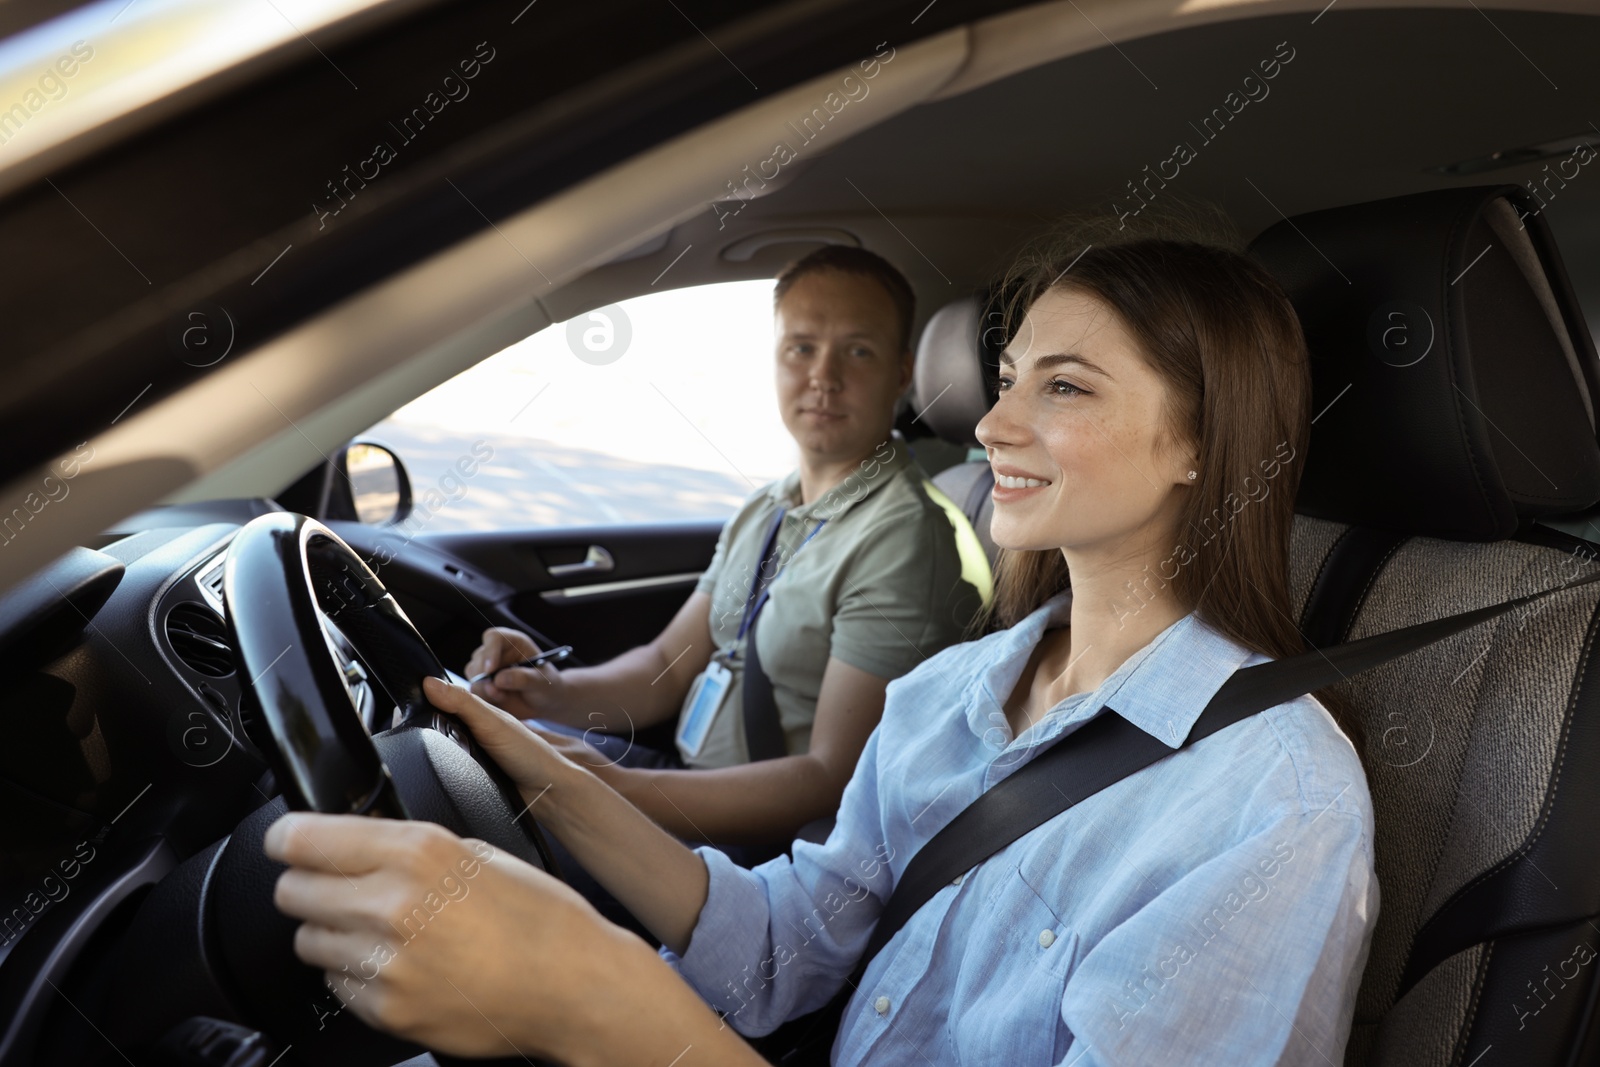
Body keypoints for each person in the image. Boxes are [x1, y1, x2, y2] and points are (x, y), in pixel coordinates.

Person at [266, 238, 1378, 1065]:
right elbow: (785, 945)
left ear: (1198, 441)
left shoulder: (1273, 803)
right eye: (1007, 381)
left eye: (1066, 387)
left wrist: (599, 997)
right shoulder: (952, 693)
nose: (991, 428)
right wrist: (542, 771)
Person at [462, 245, 986, 928]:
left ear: (902, 374)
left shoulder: (907, 538)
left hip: (764, 852)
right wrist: (544, 689)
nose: (822, 376)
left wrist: (615, 789)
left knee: (478, 857)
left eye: (856, 352)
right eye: (801, 348)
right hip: (683, 779)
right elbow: (662, 668)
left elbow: (828, 779)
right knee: (476, 763)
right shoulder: (769, 507)